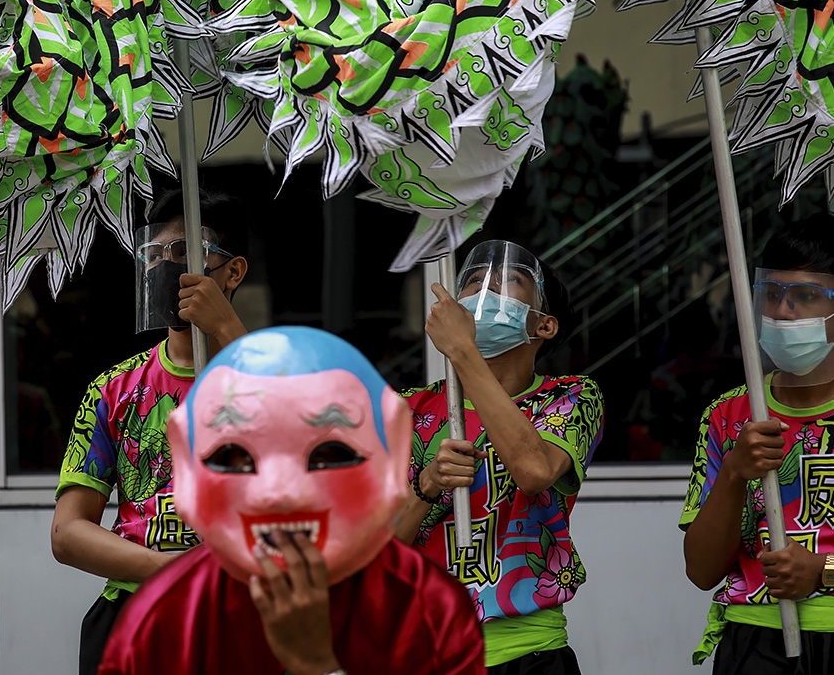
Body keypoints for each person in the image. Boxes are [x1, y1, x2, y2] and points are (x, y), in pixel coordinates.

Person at [98, 326, 486, 674]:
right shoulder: (164, 619)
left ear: (395, 452)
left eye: (330, 454)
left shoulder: (428, 608)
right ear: (184, 465)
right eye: (234, 457)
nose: (280, 493)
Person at [51, 189, 250, 675]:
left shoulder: (277, 374)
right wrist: (168, 569)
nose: (166, 266)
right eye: (154, 254)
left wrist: (228, 329)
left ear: (233, 272)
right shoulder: (114, 390)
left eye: (184, 252)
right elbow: (68, 532)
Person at [394, 240, 604, 673]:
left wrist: (463, 352)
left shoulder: (569, 398)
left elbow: (534, 471)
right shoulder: (408, 411)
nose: (485, 292)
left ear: (544, 326)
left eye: (510, 281)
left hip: (529, 651)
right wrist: (426, 486)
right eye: (472, 282)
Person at [682, 213, 834, 673]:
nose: (783, 311)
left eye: (806, 296)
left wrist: (823, 573)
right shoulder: (730, 415)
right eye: (772, 294)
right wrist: (733, 472)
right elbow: (702, 571)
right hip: (753, 642)